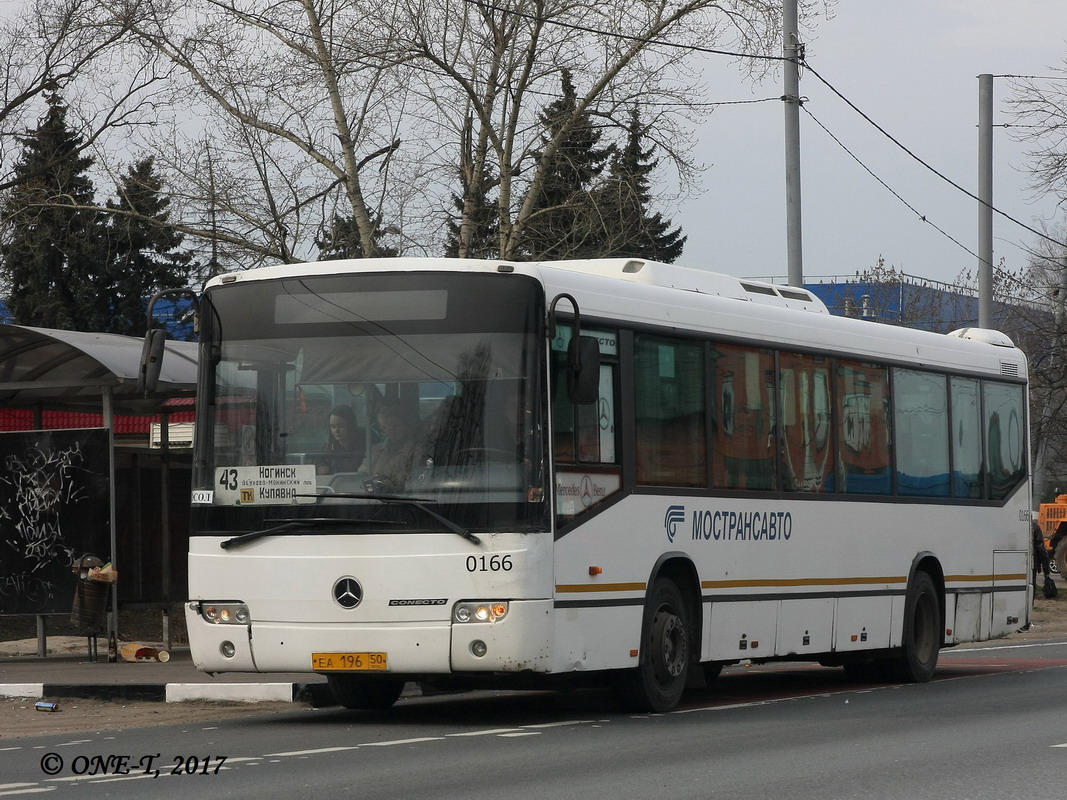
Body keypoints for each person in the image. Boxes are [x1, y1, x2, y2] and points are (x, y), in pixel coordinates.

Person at [361, 402, 419, 492]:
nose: (392, 429)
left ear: (407, 427)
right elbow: (362, 473)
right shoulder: (375, 450)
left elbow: (411, 481)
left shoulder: (415, 451)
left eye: (397, 425)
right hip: (372, 497)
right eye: (389, 425)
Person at [317, 404, 364, 474]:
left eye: (341, 426)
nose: (336, 430)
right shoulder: (326, 449)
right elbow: (317, 465)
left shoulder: (364, 446)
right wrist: (320, 470)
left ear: (350, 425)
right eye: (333, 426)